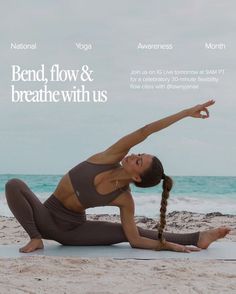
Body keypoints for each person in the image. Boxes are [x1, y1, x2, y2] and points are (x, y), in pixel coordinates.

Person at [5, 99, 231, 253]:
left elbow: (135, 240)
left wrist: (171, 247)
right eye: (139, 154)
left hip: (73, 233)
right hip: (47, 218)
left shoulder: (124, 199)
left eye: (138, 160)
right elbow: (145, 131)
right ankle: (35, 238)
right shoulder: (109, 157)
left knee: (129, 230)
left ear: (138, 178)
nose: (134, 155)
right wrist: (185, 113)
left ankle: (198, 237)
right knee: (14, 184)